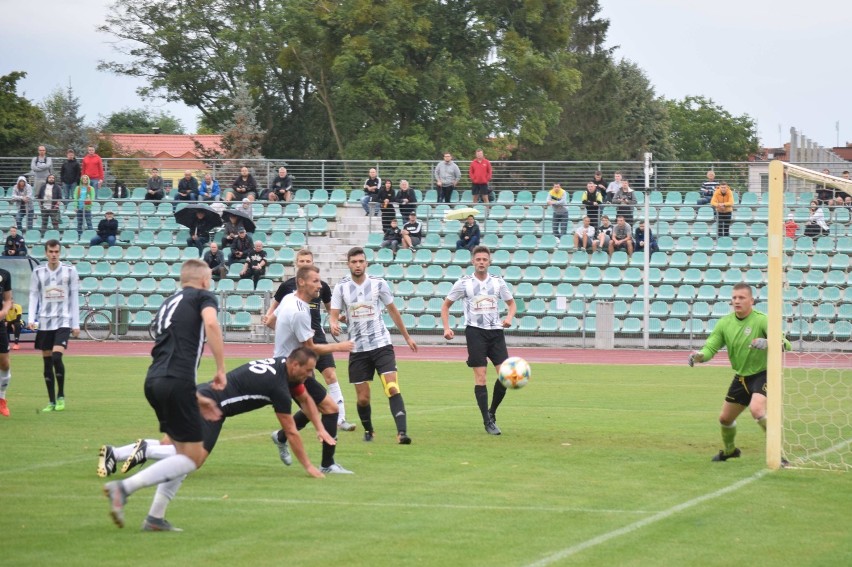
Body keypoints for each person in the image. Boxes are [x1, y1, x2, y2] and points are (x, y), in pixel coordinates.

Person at [96, 349, 331, 531]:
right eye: (308, 370)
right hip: (210, 407)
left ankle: (152, 513)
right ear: (295, 364)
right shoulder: (278, 387)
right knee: (193, 460)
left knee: (180, 462)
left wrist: (320, 427)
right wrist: (309, 466)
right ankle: (143, 452)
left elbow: (306, 398)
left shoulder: (282, 364)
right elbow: (291, 431)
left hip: (199, 395)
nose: (310, 375)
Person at [102, 259, 226, 530]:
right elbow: (212, 325)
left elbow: (170, 349)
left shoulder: (169, 302)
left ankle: (155, 517)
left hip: (155, 379)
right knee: (192, 458)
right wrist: (220, 369)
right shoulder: (204, 296)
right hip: (176, 380)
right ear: (205, 280)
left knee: (178, 453)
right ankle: (124, 488)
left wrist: (194, 396)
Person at [266, 266, 357, 473]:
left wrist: (286, 335)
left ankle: (281, 436)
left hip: (285, 366)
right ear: (301, 282)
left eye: (320, 281)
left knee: (314, 408)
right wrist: (341, 346)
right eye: (315, 281)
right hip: (291, 372)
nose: (320, 285)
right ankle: (327, 464)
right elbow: (310, 348)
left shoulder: (290, 299)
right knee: (331, 409)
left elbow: (272, 321)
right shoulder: (299, 311)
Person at [688, 283, 792, 462]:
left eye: (741, 298)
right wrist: (699, 356)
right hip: (742, 378)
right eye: (734, 297)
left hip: (763, 373)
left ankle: (777, 454)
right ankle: (730, 451)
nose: (737, 301)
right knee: (725, 419)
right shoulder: (725, 323)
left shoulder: (762, 320)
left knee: (757, 409)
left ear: (751, 301)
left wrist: (768, 342)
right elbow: (710, 348)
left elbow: (786, 344)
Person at [329, 247, 418, 444]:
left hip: (381, 344)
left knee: (392, 387)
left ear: (366, 263)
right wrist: (333, 324)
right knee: (363, 399)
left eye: (361, 261)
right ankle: (369, 430)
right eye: (354, 262)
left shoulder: (379, 284)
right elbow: (333, 314)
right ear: (348, 264)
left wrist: (407, 337)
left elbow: (393, 311)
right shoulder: (341, 288)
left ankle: (402, 433)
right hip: (358, 349)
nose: (358, 265)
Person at [440, 245, 516, 435]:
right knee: (481, 377)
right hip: (475, 332)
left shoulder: (498, 282)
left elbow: (511, 304)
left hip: (496, 333)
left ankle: (491, 412)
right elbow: (445, 306)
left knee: (506, 377)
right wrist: (447, 327)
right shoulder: (464, 283)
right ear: (473, 261)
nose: (481, 262)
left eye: (485, 259)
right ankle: (486, 421)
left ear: (489, 262)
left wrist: (509, 318)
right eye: (478, 259)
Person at [28, 240, 80, 413]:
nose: (54, 254)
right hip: (44, 322)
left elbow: (74, 297)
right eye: (51, 251)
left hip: (63, 321)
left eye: (56, 251)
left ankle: (61, 396)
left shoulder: (69, 271)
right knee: (47, 362)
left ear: (60, 252)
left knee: (57, 357)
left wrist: (76, 323)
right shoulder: (38, 272)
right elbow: (34, 295)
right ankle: (51, 401)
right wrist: (31, 317)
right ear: (46, 253)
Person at [0, 273, 13, 416]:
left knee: (4, 363)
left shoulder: (4, 274)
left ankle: (1, 399)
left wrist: (4, 311)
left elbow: (8, 299)